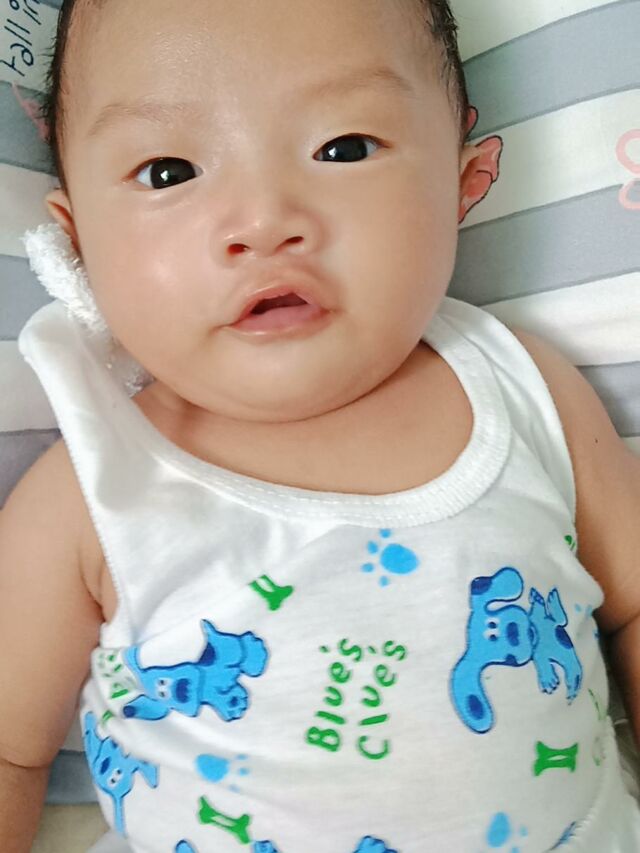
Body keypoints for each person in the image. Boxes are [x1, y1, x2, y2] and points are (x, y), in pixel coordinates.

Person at [1, 1, 639, 851]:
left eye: (343, 148)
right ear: (79, 242)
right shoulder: (92, 490)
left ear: (464, 181)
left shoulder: (526, 390)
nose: (264, 221)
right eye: (168, 171)